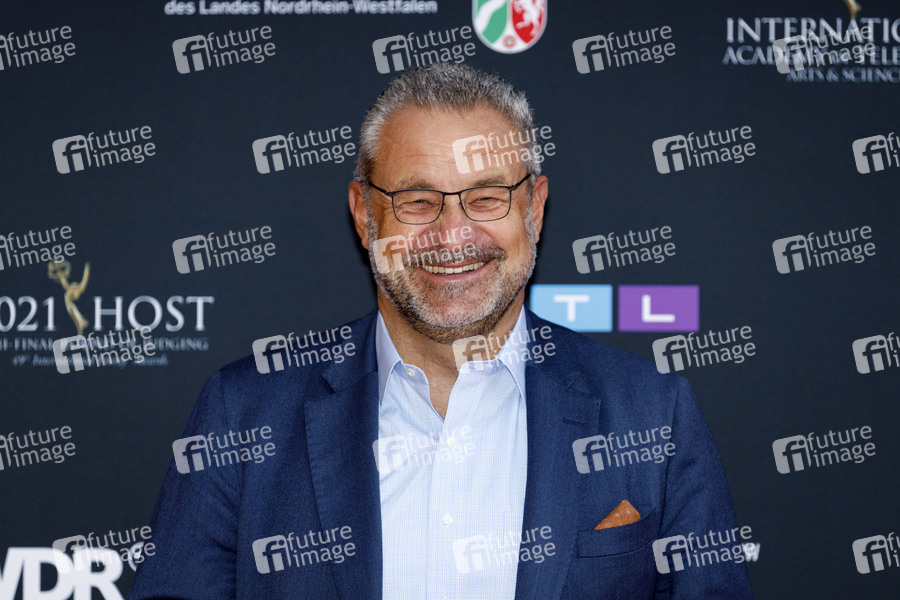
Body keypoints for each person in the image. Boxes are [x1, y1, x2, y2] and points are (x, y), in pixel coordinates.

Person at [128, 63, 753, 599]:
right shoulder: (244, 413)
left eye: (486, 197)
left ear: (534, 210)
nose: (453, 235)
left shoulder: (653, 412)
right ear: (364, 216)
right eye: (418, 201)